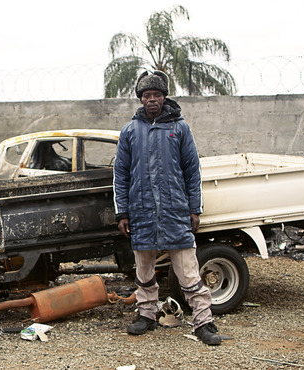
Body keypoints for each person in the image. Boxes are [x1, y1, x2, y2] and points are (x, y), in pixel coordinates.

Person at [113, 70, 222, 346]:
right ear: (141, 98)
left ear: (164, 97)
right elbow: (121, 175)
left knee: (188, 272)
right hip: (141, 213)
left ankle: (203, 321)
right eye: (147, 95)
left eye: (157, 95)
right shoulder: (129, 132)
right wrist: (122, 213)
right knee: (144, 271)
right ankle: (146, 315)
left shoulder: (180, 128)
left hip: (175, 213)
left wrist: (194, 209)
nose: (152, 99)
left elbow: (192, 171)